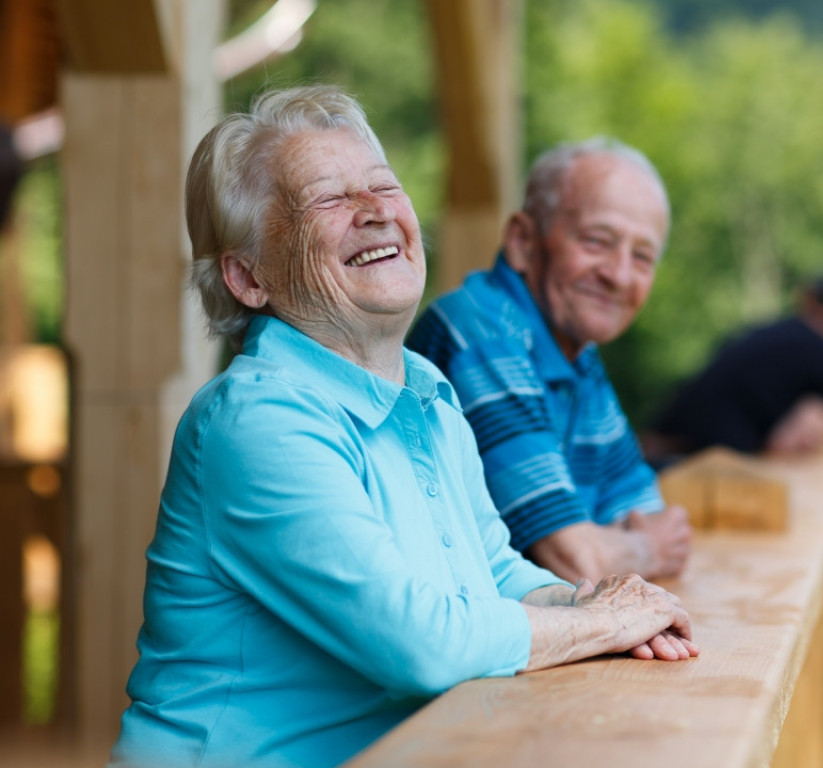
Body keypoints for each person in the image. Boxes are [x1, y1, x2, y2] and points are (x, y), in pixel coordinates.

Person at [109, 86, 697, 768]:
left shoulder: (425, 387)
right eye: (328, 199)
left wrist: (611, 606)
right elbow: (421, 643)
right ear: (248, 277)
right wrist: (597, 622)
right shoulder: (256, 422)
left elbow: (492, 567)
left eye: (383, 185)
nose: (375, 211)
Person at [405, 138, 691, 585]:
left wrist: (609, 543)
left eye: (641, 257)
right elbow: (574, 561)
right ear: (522, 240)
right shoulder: (482, 332)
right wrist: (641, 549)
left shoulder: (576, 351)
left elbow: (644, 506)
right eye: (598, 242)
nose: (618, 275)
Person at [643, 266, 823, 462]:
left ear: (808, 298)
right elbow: (788, 442)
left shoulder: (762, 331)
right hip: (717, 462)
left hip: (660, 443)